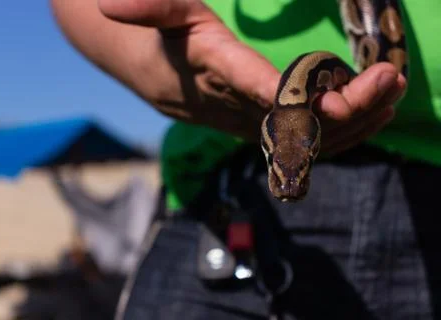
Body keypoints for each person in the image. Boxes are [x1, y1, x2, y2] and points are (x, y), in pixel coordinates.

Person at [50, 0, 440, 319]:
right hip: (225, 200)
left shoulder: (289, 124)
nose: (289, 184)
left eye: (301, 163)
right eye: (284, 163)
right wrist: (149, 64)